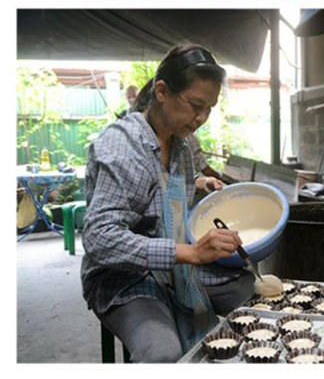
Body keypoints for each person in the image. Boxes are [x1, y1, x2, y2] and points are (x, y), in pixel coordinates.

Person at [81, 45, 253, 362]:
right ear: (162, 91)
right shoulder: (124, 145)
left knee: (252, 293)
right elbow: (99, 238)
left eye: (210, 108)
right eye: (195, 105)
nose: (201, 118)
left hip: (174, 269)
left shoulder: (181, 145)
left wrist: (200, 187)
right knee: (162, 352)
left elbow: (162, 191)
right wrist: (190, 252)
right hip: (124, 277)